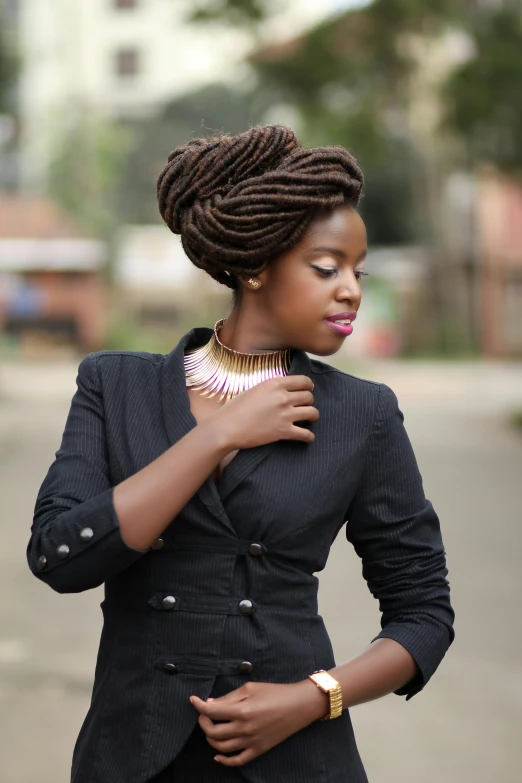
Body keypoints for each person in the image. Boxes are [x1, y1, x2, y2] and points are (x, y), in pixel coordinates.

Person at [27, 124, 454, 783]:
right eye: (326, 267)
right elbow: (60, 554)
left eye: (357, 270)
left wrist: (314, 697)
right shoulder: (116, 385)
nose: (351, 290)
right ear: (255, 265)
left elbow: (424, 612)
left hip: (298, 760)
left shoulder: (362, 414)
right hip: (133, 757)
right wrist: (218, 433)